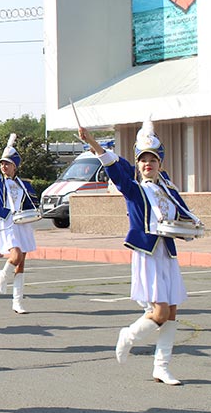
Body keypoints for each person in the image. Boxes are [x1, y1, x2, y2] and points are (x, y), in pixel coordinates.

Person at [80, 121, 199, 386]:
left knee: (172, 312)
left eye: (152, 160)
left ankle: (162, 367)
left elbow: (181, 215)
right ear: (138, 164)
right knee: (159, 312)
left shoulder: (167, 188)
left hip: (166, 253)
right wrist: (94, 143)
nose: (148, 164)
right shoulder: (133, 188)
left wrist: (191, 229)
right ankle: (128, 335)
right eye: (143, 160)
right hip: (147, 254)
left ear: (160, 163)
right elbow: (114, 167)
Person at [0, 134, 40, 314]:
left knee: (21, 263)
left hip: (23, 223)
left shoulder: (24, 185)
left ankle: (17, 301)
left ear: (15, 166)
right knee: (15, 256)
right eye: (2, 163)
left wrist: (33, 212)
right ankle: (3, 274)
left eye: (7, 163)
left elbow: (31, 204)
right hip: (8, 222)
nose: (3, 166)